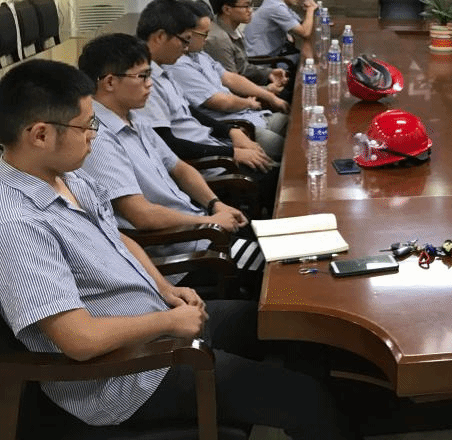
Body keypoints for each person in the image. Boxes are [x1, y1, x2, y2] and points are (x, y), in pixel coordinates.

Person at [0, 60, 350, 440]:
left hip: (157, 320)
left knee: (296, 324)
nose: (93, 136)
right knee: (306, 400)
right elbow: (79, 339)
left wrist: (166, 290)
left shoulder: (67, 176)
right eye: (85, 127)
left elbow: (120, 239)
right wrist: (167, 323)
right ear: (40, 135)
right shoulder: (17, 223)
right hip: (128, 377)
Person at [76, 34, 262, 274]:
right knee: (272, 268)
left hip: (199, 228)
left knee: (273, 244)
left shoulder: (133, 118)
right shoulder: (98, 138)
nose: (150, 84)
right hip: (183, 251)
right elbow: (142, 215)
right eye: (142, 76)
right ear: (110, 82)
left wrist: (215, 204)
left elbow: (179, 167)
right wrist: (208, 221)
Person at [134, 0, 276, 174]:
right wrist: (232, 152)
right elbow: (167, 144)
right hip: (208, 165)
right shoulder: (143, 82)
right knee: (281, 173)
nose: (186, 48)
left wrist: (231, 132)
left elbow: (189, 111)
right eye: (184, 40)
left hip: (213, 147)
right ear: (161, 37)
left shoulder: (163, 70)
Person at [168, 1, 289, 160]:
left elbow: (230, 78)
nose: (207, 39)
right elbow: (220, 102)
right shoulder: (177, 65)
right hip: (236, 125)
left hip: (251, 115)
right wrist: (248, 102)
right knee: (290, 150)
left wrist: (270, 96)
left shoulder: (199, 54)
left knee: (296, 124)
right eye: (204, 34)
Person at [206, 0, 289, 95]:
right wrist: (266, 90)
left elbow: (242, 67)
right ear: (227, 9)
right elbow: (231, 85)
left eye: (251, 5)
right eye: (246, 6)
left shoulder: (232, 29)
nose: (250, 11)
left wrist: (269, 73)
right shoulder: (218, 40)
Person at [243, 0, 318, 59]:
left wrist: (308, 12)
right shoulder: (276, 7)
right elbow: (305, 32)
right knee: (307, 60)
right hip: (262, 60)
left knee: (308, 56)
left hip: (275, 53)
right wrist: (310, 10)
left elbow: (302, 25)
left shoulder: (277, 2)